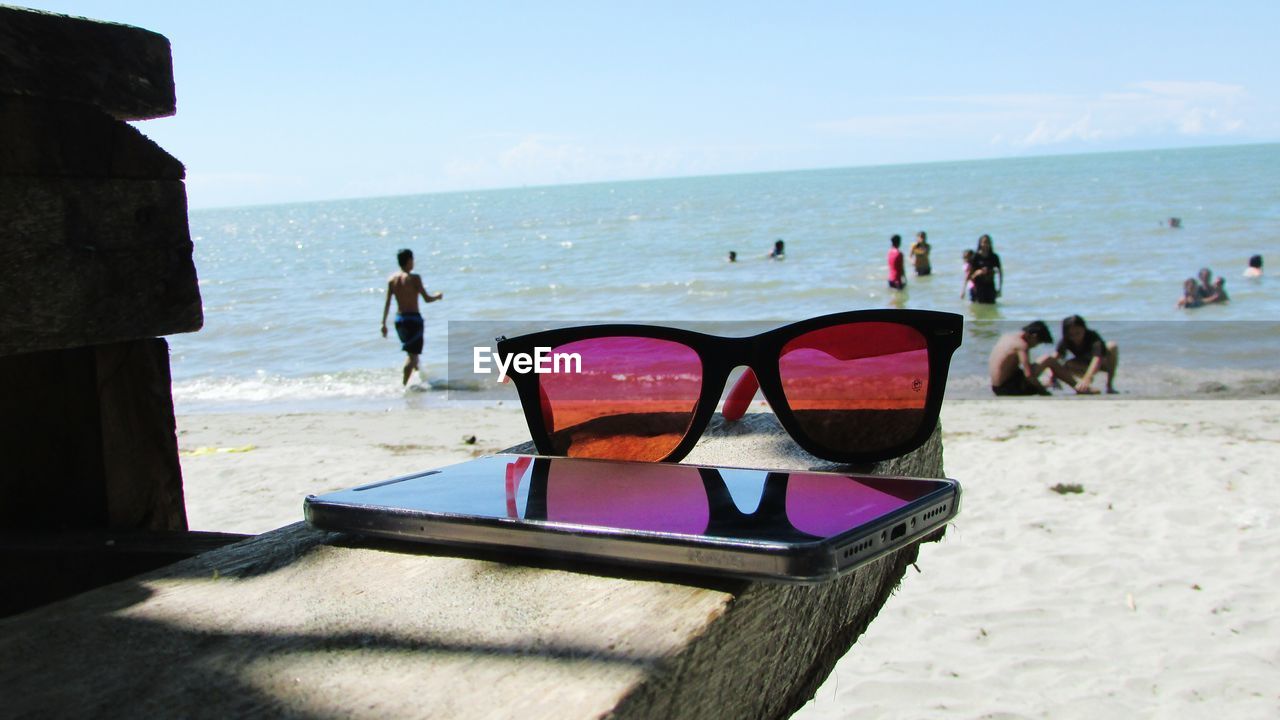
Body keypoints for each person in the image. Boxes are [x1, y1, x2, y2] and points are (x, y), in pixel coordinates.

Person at [381, 248, 444, 386]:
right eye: (412, 259)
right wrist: (438, 296)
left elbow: (387, 303)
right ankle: (404, 386)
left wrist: (383, 324)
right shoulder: (414, 278)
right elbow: (427, 299)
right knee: (413, 356)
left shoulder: (392, 280)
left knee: (412, 354)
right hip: (413, 321)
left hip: (399, 321)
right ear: (409, 261)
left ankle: (421, 381)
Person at [1044, 315, 1119, 394]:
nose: (1075, 337)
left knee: (1111, 346)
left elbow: (1097, 359)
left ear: (1084, 328)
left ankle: (1109, 386)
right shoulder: (1066, 340)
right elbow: (1055, 357)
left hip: (1101, 364)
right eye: (1071, 335)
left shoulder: (1093, 337)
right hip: (1082, 365)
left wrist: (1087, 378)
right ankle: (1083, 387)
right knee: (1064, 364)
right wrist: (1051, 376)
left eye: (1078, 333)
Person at [989, 321, 1053, 396]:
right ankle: (1070, 385)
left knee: (1044, 383)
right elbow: (1028, 375)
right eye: (1038, 343)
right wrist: (1044, 392)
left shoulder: (1007, 336)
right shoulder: (1022, 345)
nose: (1035, 346)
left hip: (996, 388)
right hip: (1008, 390)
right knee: (1049, 360)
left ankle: (1051, 383)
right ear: (1034, 336)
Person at [967, 234, 1002, 303]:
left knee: (991, 308)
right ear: (980, 244)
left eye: (988, 242)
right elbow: (969, 276)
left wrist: (1000, 289)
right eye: (984, 242)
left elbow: (1000, 273)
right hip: (978, 287)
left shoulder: (994, 257)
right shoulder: (975, 257)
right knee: (979, 307)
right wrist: (978, 272)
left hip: (990, 286)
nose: (986, 244)